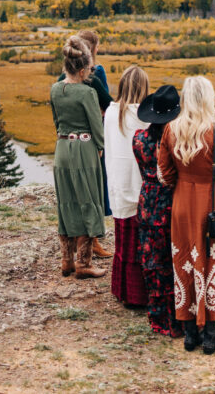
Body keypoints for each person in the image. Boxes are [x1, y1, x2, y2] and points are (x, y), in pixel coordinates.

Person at [157, 76, 215, 354]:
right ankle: (211, 336)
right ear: (207, 98)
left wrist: (184, 177)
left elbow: (163, 175)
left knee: (184, 260)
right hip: (210, 203)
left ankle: (190, 334)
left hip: (182, 203)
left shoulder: (170, 129)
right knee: (212, 260)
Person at [49, 35, 107, 279]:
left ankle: (66, 260)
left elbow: (56, 122)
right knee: (88, 201)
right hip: (84, 149)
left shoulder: (55, 89)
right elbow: (97, 127)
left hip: (61, 149)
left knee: (66, 202)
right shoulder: (86, 93)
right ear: (83, 70)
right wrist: (100, 147)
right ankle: (84, 263)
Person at [57, 29, 114, 257]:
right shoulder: (94, 75)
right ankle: (89, 250)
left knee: (69, 195)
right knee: (93, 191)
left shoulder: (59, 82)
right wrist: (101, 144)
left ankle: (69, 254)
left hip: (64, 143)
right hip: (89, 140)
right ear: (93, 50)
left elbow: (58, 116)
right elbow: (108, 105)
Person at [133, 84, 182, 336]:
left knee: (153, 262)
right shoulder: (175, 141)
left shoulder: (139, 139)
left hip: (148, 202)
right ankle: (179, 317)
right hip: (172, 203)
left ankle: (158, 317)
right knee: (175, 263)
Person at [103, 66, 150, 305]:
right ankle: (138, 294)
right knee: (141, 245)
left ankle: (122, 289)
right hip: (139, 185)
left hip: (117, 183)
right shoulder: (143, 116)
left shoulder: (111, 113)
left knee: (123, 241)